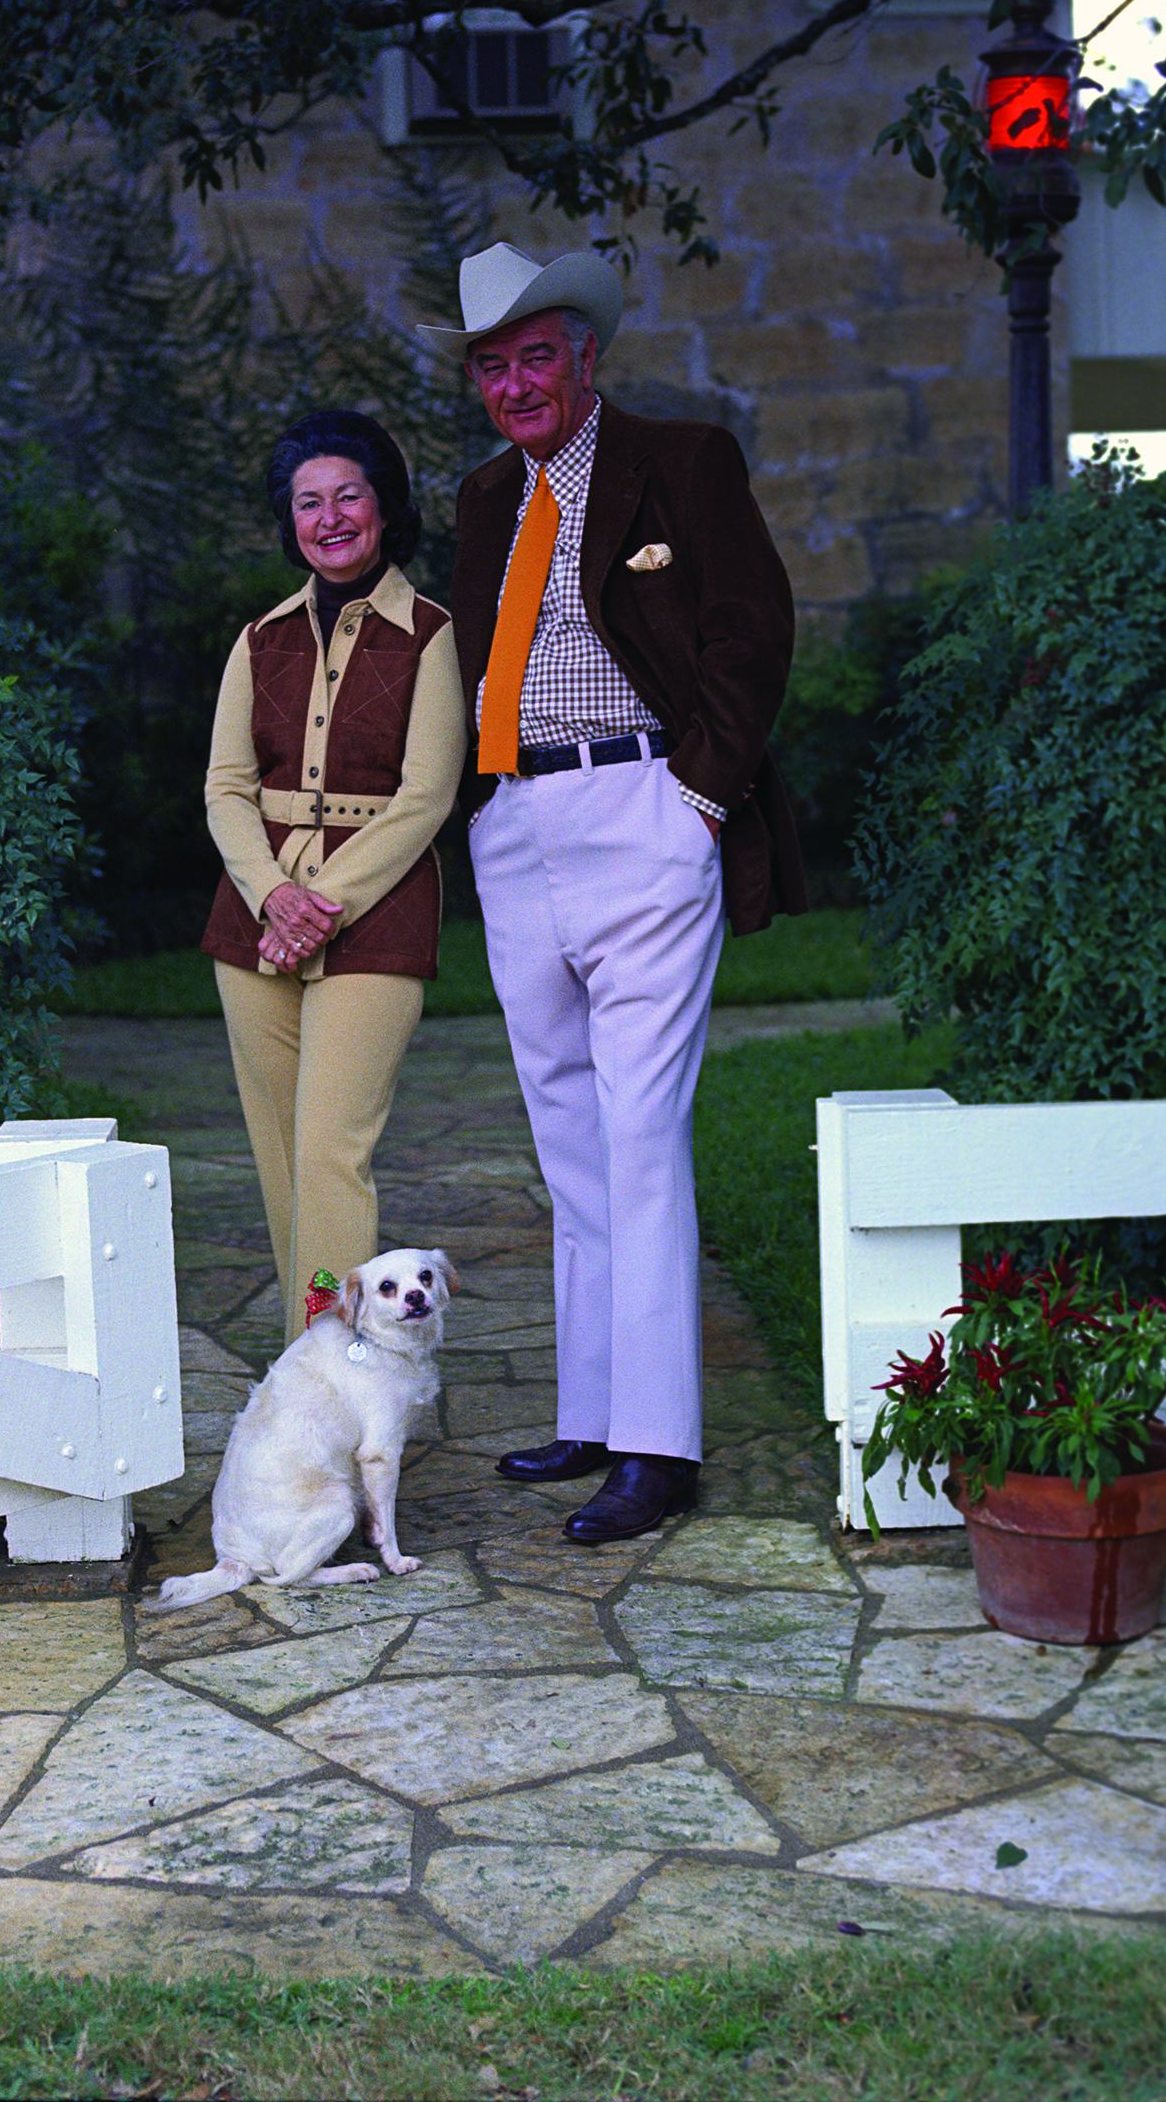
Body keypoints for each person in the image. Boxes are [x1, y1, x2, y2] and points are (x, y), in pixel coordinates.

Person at [420, 243, 804, 1541]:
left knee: (639, 1138)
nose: (516, 383)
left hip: (643, 807)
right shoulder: (483, 499)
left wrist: (694, 798)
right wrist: (474, 811)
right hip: (516, 821)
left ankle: (658, 1447)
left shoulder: (679, 464)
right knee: (567, 1135)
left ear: (585, 357)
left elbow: (749, 626)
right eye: (492, 366)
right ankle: (593, 1411)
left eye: (536, 355)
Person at [202, 408, 467, 1340]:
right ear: (290, 521)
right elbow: (226, 788)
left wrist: (320, 907)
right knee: (280, 1161)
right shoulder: (258, 639)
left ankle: (345, 1369)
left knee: (328, 1155)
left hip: (377, 923)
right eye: (307, 503)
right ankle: (303, 1368)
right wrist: (274, 897)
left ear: (384, 507)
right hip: (252, 925)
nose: (329, 518)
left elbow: (426, 795)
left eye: (348, 495)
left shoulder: (429, 633)